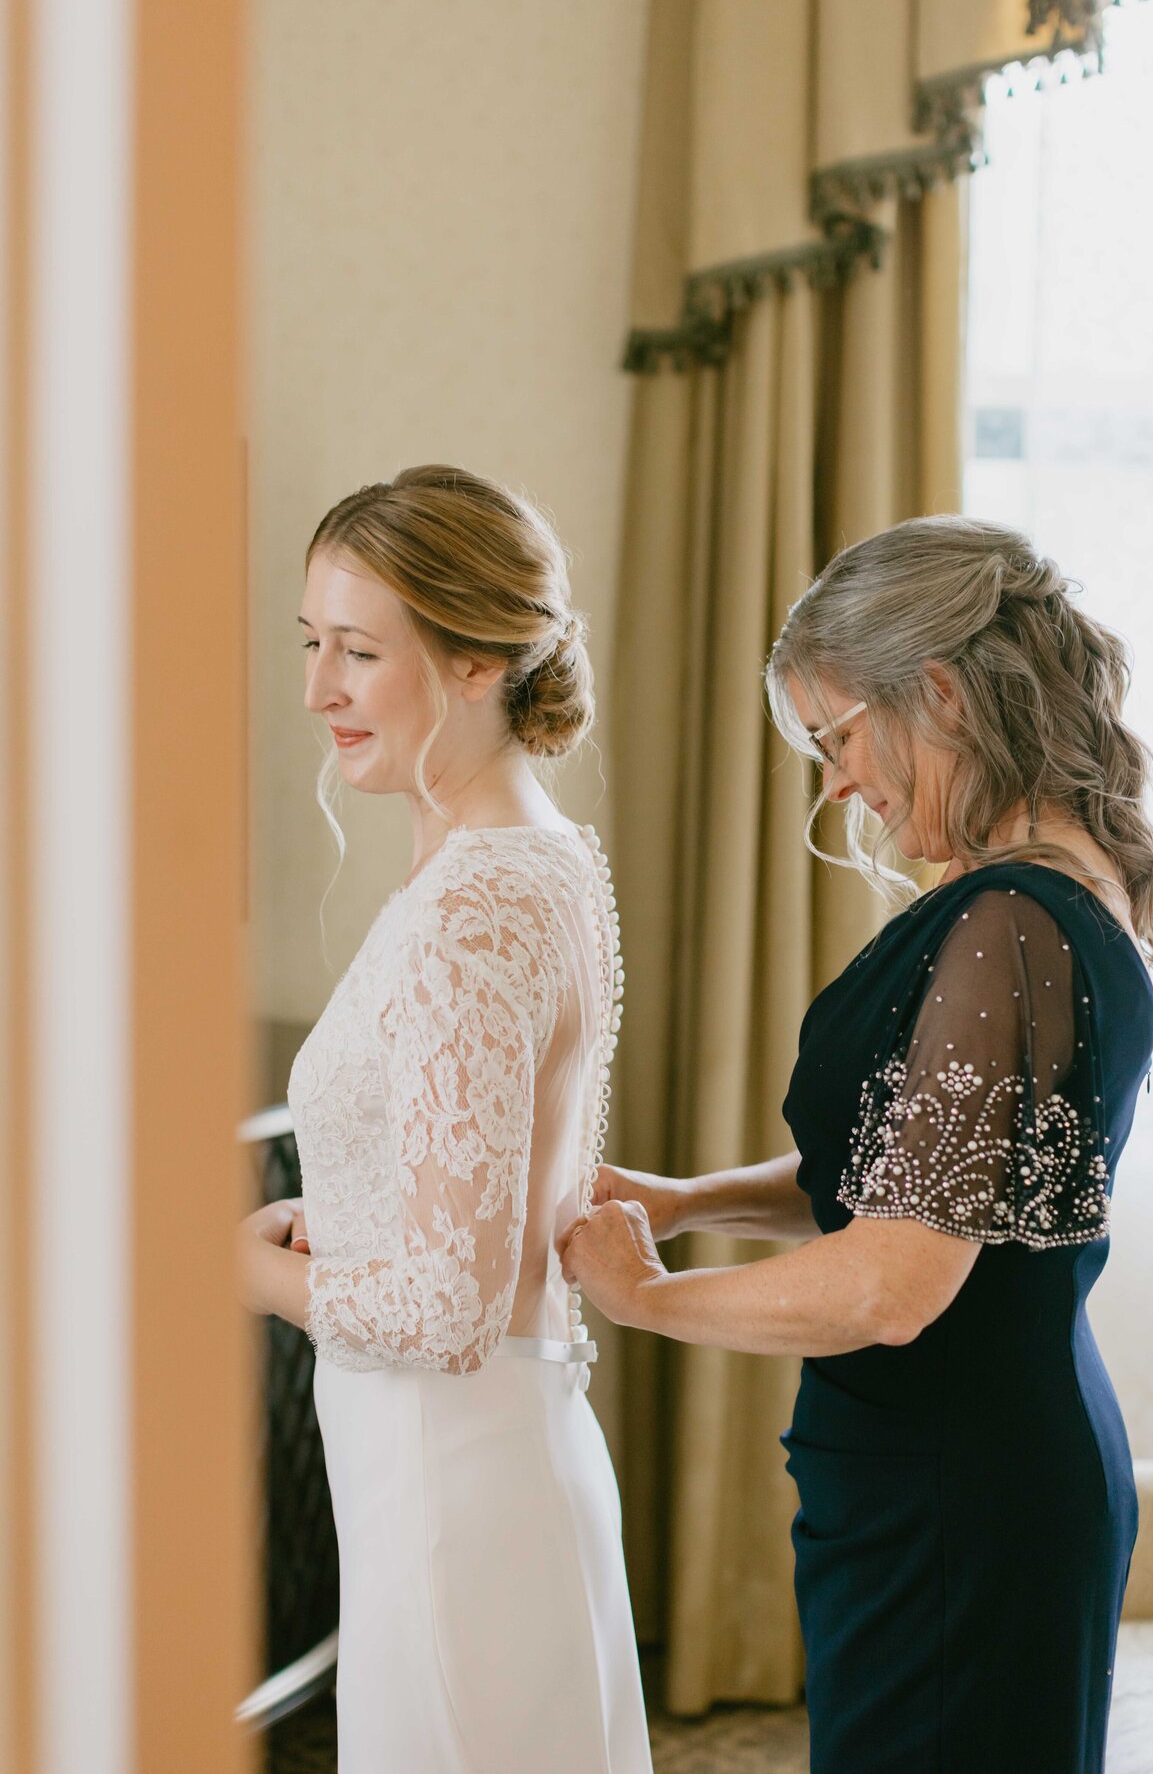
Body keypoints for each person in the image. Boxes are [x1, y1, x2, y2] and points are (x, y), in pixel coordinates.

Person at [560, 517, 1153, 1773]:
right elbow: (908, 1181)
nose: (837, 782)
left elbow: (895, 1277)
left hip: (963, 1488)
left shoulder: (1008, 921)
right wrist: (684, 1199)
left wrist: (646, 1296)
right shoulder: (1056, 890)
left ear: (937, 691)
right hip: (973, 1467)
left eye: (838, 734)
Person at [236, 465, 652, 1773]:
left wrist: (230, 1264)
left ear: (476, 660)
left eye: (360, 650)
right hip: (476, 1461)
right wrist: (345, 1204)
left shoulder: (478, 899)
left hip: (447, 1479)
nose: (319, 689)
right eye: (313, 644)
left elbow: (443, 1305)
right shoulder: (528, 857)